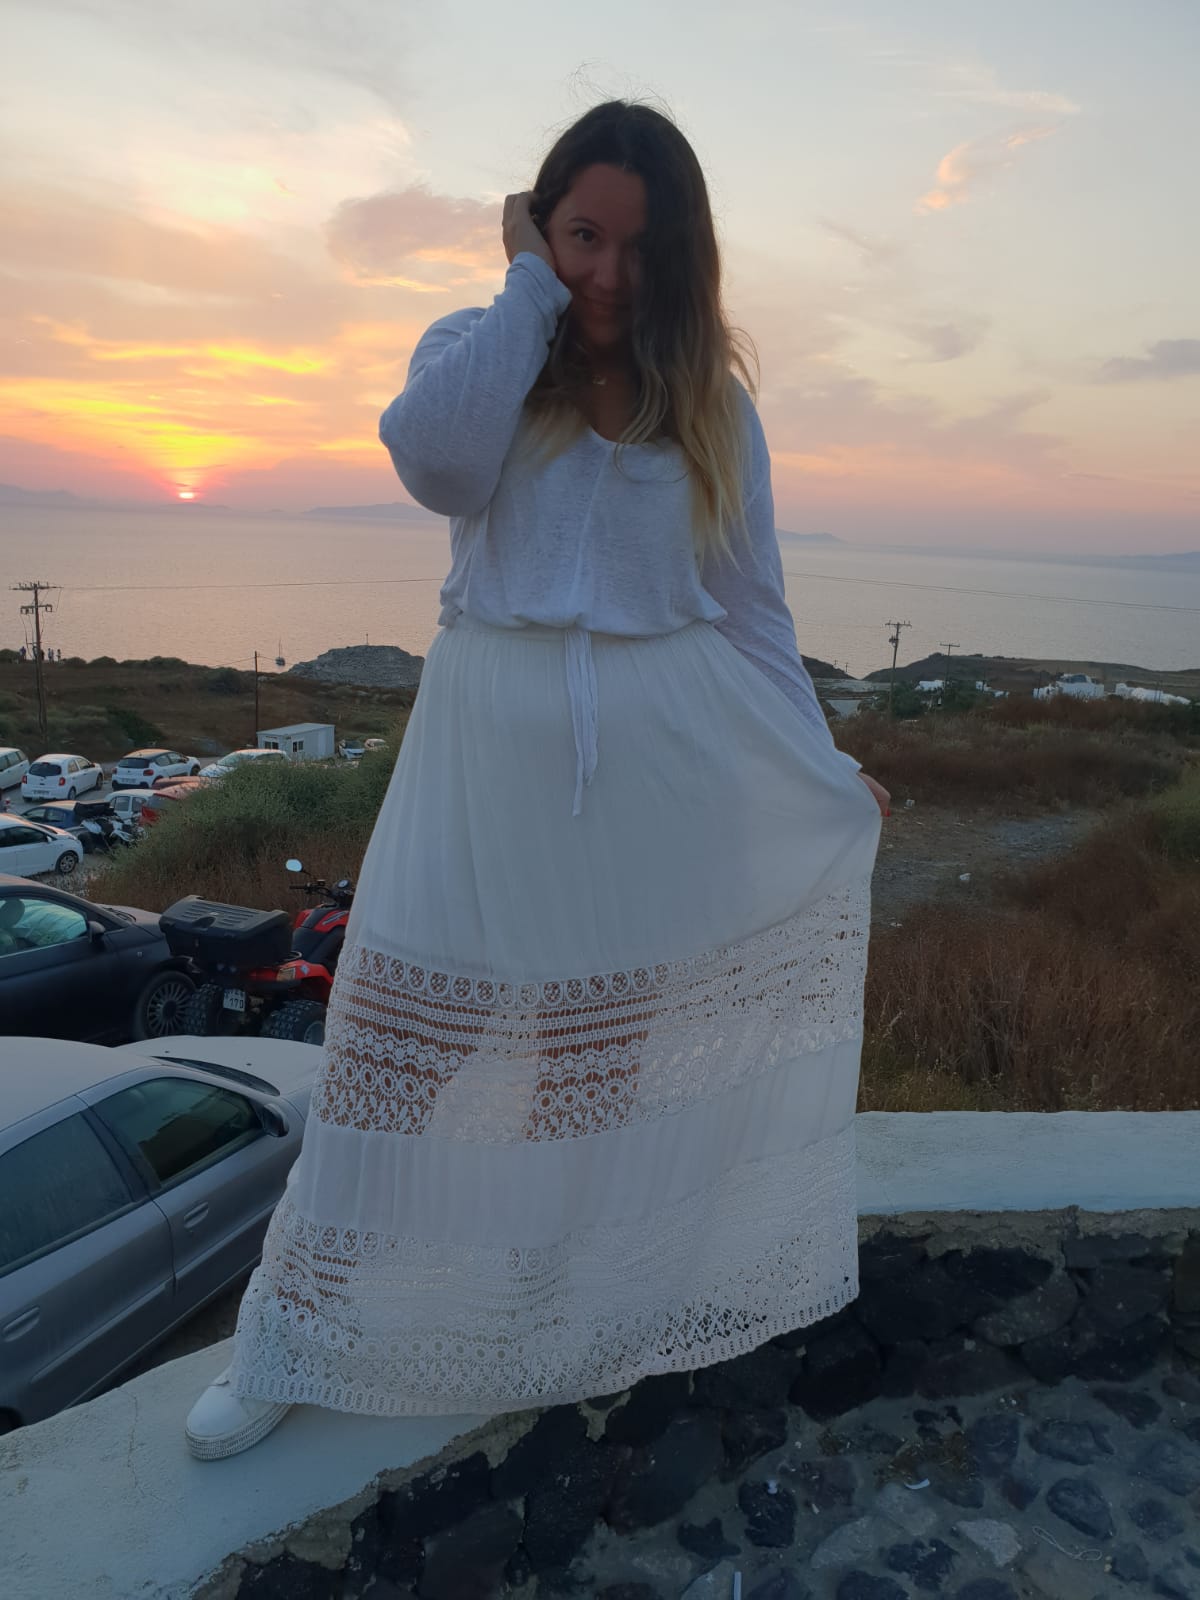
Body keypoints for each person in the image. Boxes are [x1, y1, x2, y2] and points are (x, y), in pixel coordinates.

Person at [185, 100, 888, 1460]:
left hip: (655, 777)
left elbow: (754, 614)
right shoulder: (481, 350)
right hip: (480, 765)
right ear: (538, 227)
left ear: (685, 256)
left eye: (640, 245)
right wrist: (522, 287)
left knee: (592, 1066)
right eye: (581, 235)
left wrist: (821, 766)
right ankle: (296, 1328)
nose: (609, 273)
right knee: (397, 1054)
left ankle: (552, 1305)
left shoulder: (713, 410)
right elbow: (437, 463)